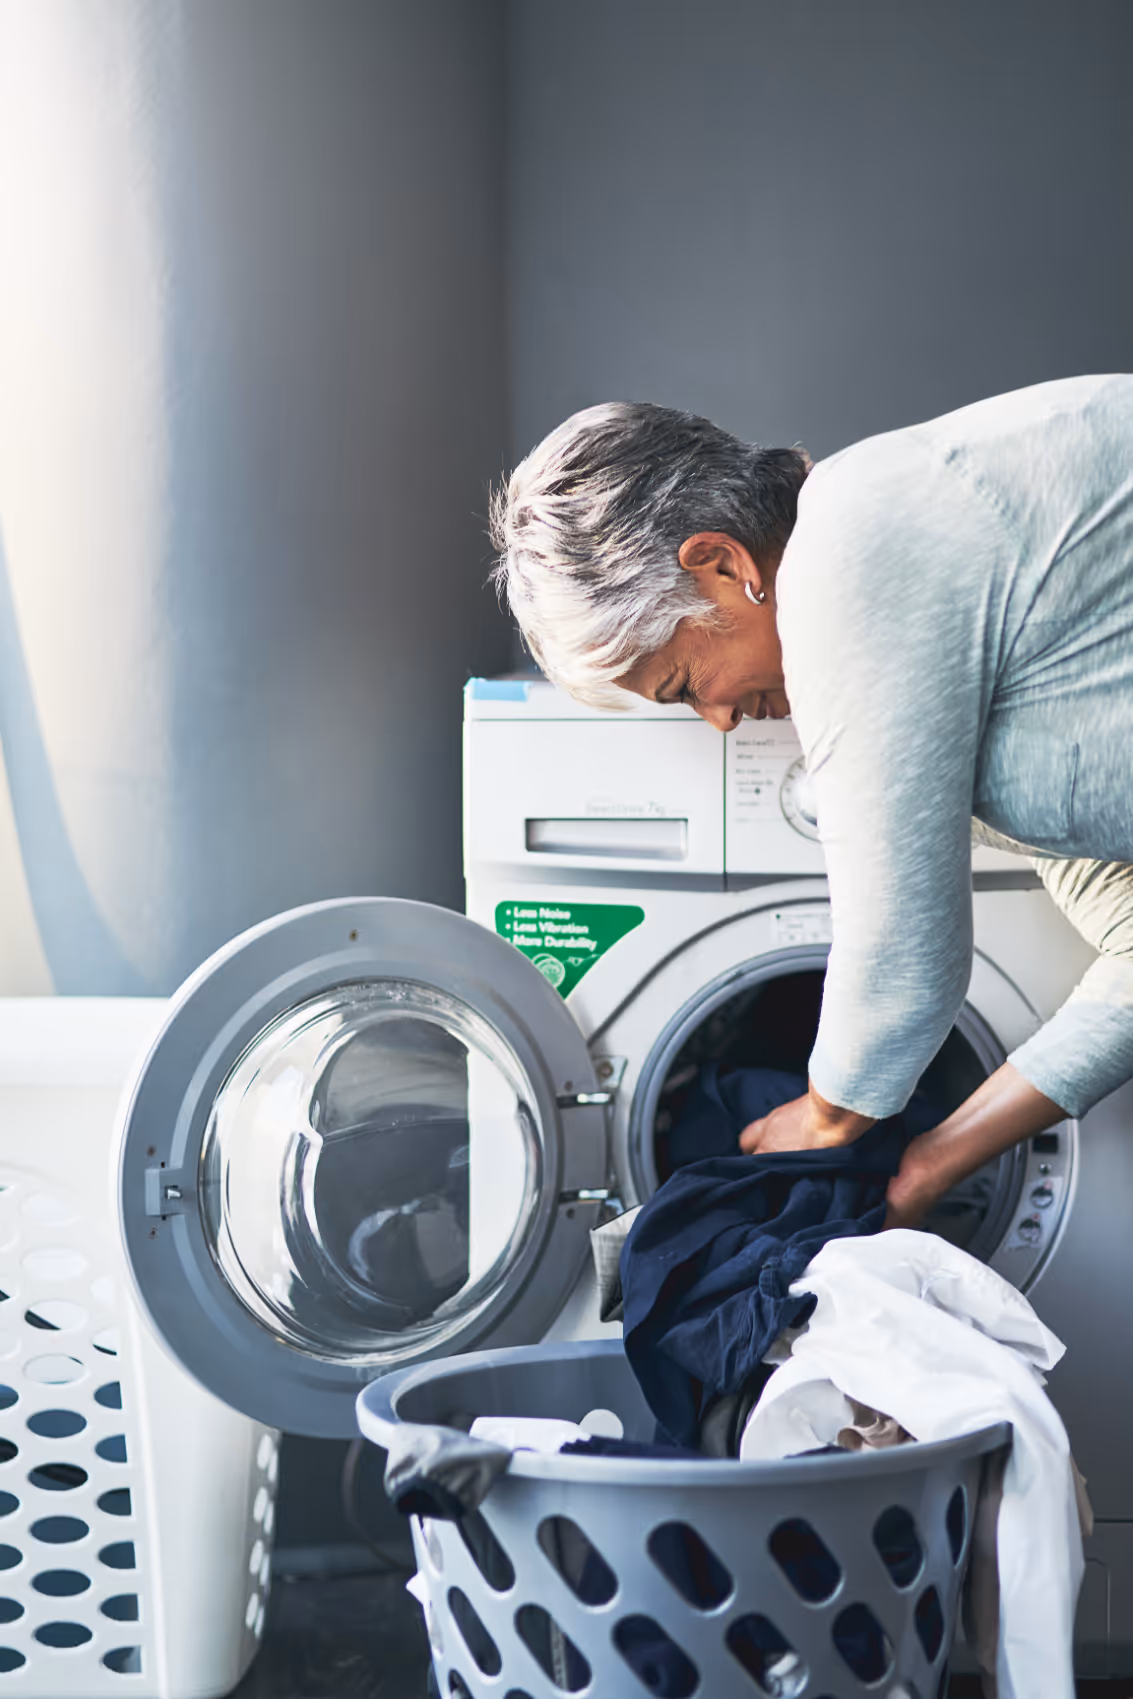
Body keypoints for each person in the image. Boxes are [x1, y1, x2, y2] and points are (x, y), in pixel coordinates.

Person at [490, 375, 1133, 1225]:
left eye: (683, 685)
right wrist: (930, 1162)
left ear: (721, 565)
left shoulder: (850, 541)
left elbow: (902, 967)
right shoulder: (942, 676)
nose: (719, 721)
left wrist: (825, 1116)